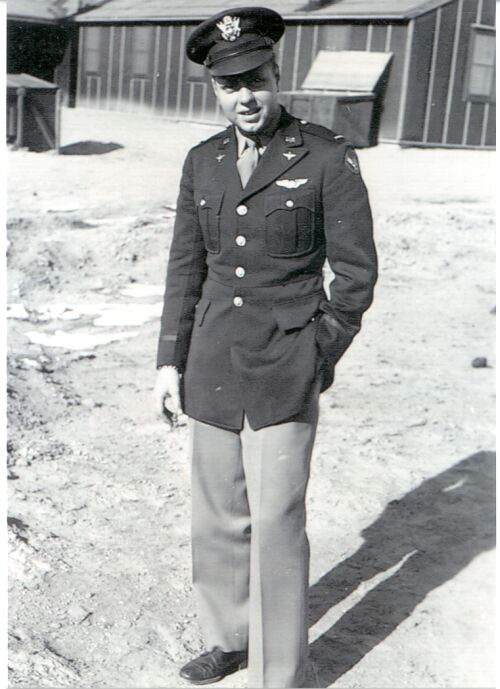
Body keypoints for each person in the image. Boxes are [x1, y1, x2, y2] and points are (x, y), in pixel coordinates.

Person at [154, 6, 377, 687]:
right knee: (217, 513)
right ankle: (226, 637)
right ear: (214, 90)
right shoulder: (203, 162)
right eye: (229, 85)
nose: (244, 96)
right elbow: (185, 267)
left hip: (286, 364)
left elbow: (357, 277)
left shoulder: (326, 157)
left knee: (277, 519)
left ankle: (282, 672)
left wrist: (318, 353)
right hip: (212, 361)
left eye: (255, 79)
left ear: (277, 76)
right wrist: (169, 358)